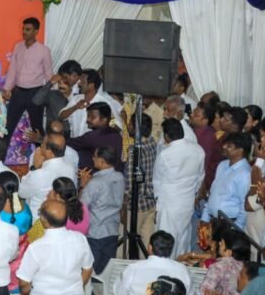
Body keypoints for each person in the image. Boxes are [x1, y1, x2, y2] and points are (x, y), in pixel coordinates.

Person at [18, 200, 95, 295]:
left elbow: (23, 283)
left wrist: (29, 291)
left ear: (43, 220)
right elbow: (87, 268)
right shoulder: (80, 239)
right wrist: (78, 286)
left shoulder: (36, 248)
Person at [154, 118, 207, 257]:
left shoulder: (165, 154)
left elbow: (157, 180)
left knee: (166, 237)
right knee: (183, 236)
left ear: (166, 136)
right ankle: (181, 263)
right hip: (187, 200)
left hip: (168, 202)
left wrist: (157, 202)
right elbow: (200, 176)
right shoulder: (198, 149)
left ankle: (166, 266)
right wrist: (193, 193)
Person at [113, 231, 191, 295]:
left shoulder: (133, 268)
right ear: (171, 249)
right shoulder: (182, 270)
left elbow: (118, 293)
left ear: (149, 247)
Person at [3, 17, 53, 136]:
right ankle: (2, 148)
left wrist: (52, 94)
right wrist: (7, 88)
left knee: (37, 127)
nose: (24, 32)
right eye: (23, 29)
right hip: (18, 92)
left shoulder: (44, 50)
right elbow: (12, 69)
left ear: (36, 31)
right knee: (8, 125)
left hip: (35, 93)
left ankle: (41, 148)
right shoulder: (18, 46)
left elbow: (49, 73)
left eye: (28, 29)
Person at [80, 147, 125, 274]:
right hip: (112, 229)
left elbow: (82, 205)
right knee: (107, 271)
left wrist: (83, 185)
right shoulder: (120, 176)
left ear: (102, 161)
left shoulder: (95, 182)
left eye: (95, 157)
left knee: (92, 270)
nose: (92, 159)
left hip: (95, 231)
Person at [202, 132, 252, 229]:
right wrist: (205, 217)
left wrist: (236, 228)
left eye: (229, 146)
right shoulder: (222, 165)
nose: (224, 147)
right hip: (213, 220)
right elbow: (213, 193)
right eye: (225, 144)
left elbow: (244, 205)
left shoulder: (245, 173)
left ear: (240, 151)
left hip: (229, 223)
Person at [20, 132, 78, 217]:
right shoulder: (70, 168)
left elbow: (22, 192)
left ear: (49, 153)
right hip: (60, 215)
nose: (40, 145)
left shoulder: (39, 173)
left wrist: (34, 168)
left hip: (38, 218)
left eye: (43, 144)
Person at [60, 69, 122, 139]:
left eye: (82, 82)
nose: (79, 84)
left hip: (94, 143)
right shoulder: (76, 99)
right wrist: (75, 107)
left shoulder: (106, 102)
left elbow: (118, 125)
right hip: (75, 142)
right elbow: (61, 116)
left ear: (91, 85)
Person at [125, 113, 158, 243]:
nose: (128, 126)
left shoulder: (135, 151)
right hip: (150, 201)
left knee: (128, 243)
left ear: (136, 128)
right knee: (146, 243)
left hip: (136, 205)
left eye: (130, 124)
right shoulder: (152, 143)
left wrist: (124, 202)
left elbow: (130, 182)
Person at [68, 102, 124, 172]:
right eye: (88, 116)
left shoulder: (93, 136)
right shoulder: (117, 134)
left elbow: (69, 143)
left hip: (97, 175)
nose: (88, 120)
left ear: (104, 120)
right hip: (117, 173)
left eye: (92, 117)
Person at [33, 60, 81, 137]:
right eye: (59, 82)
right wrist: (50, 83)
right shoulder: (52, 95)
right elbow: (36, 100)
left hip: (72, 135)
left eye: (65, 81)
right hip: (53, 134)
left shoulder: (79, 96)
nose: (61, 85)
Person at [191, 104, 222, 192]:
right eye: (193, 113)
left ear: (205, 120)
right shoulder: (194, 130)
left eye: (196, 115)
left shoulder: (208, 136)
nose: (191, 115)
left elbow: (205, 162)